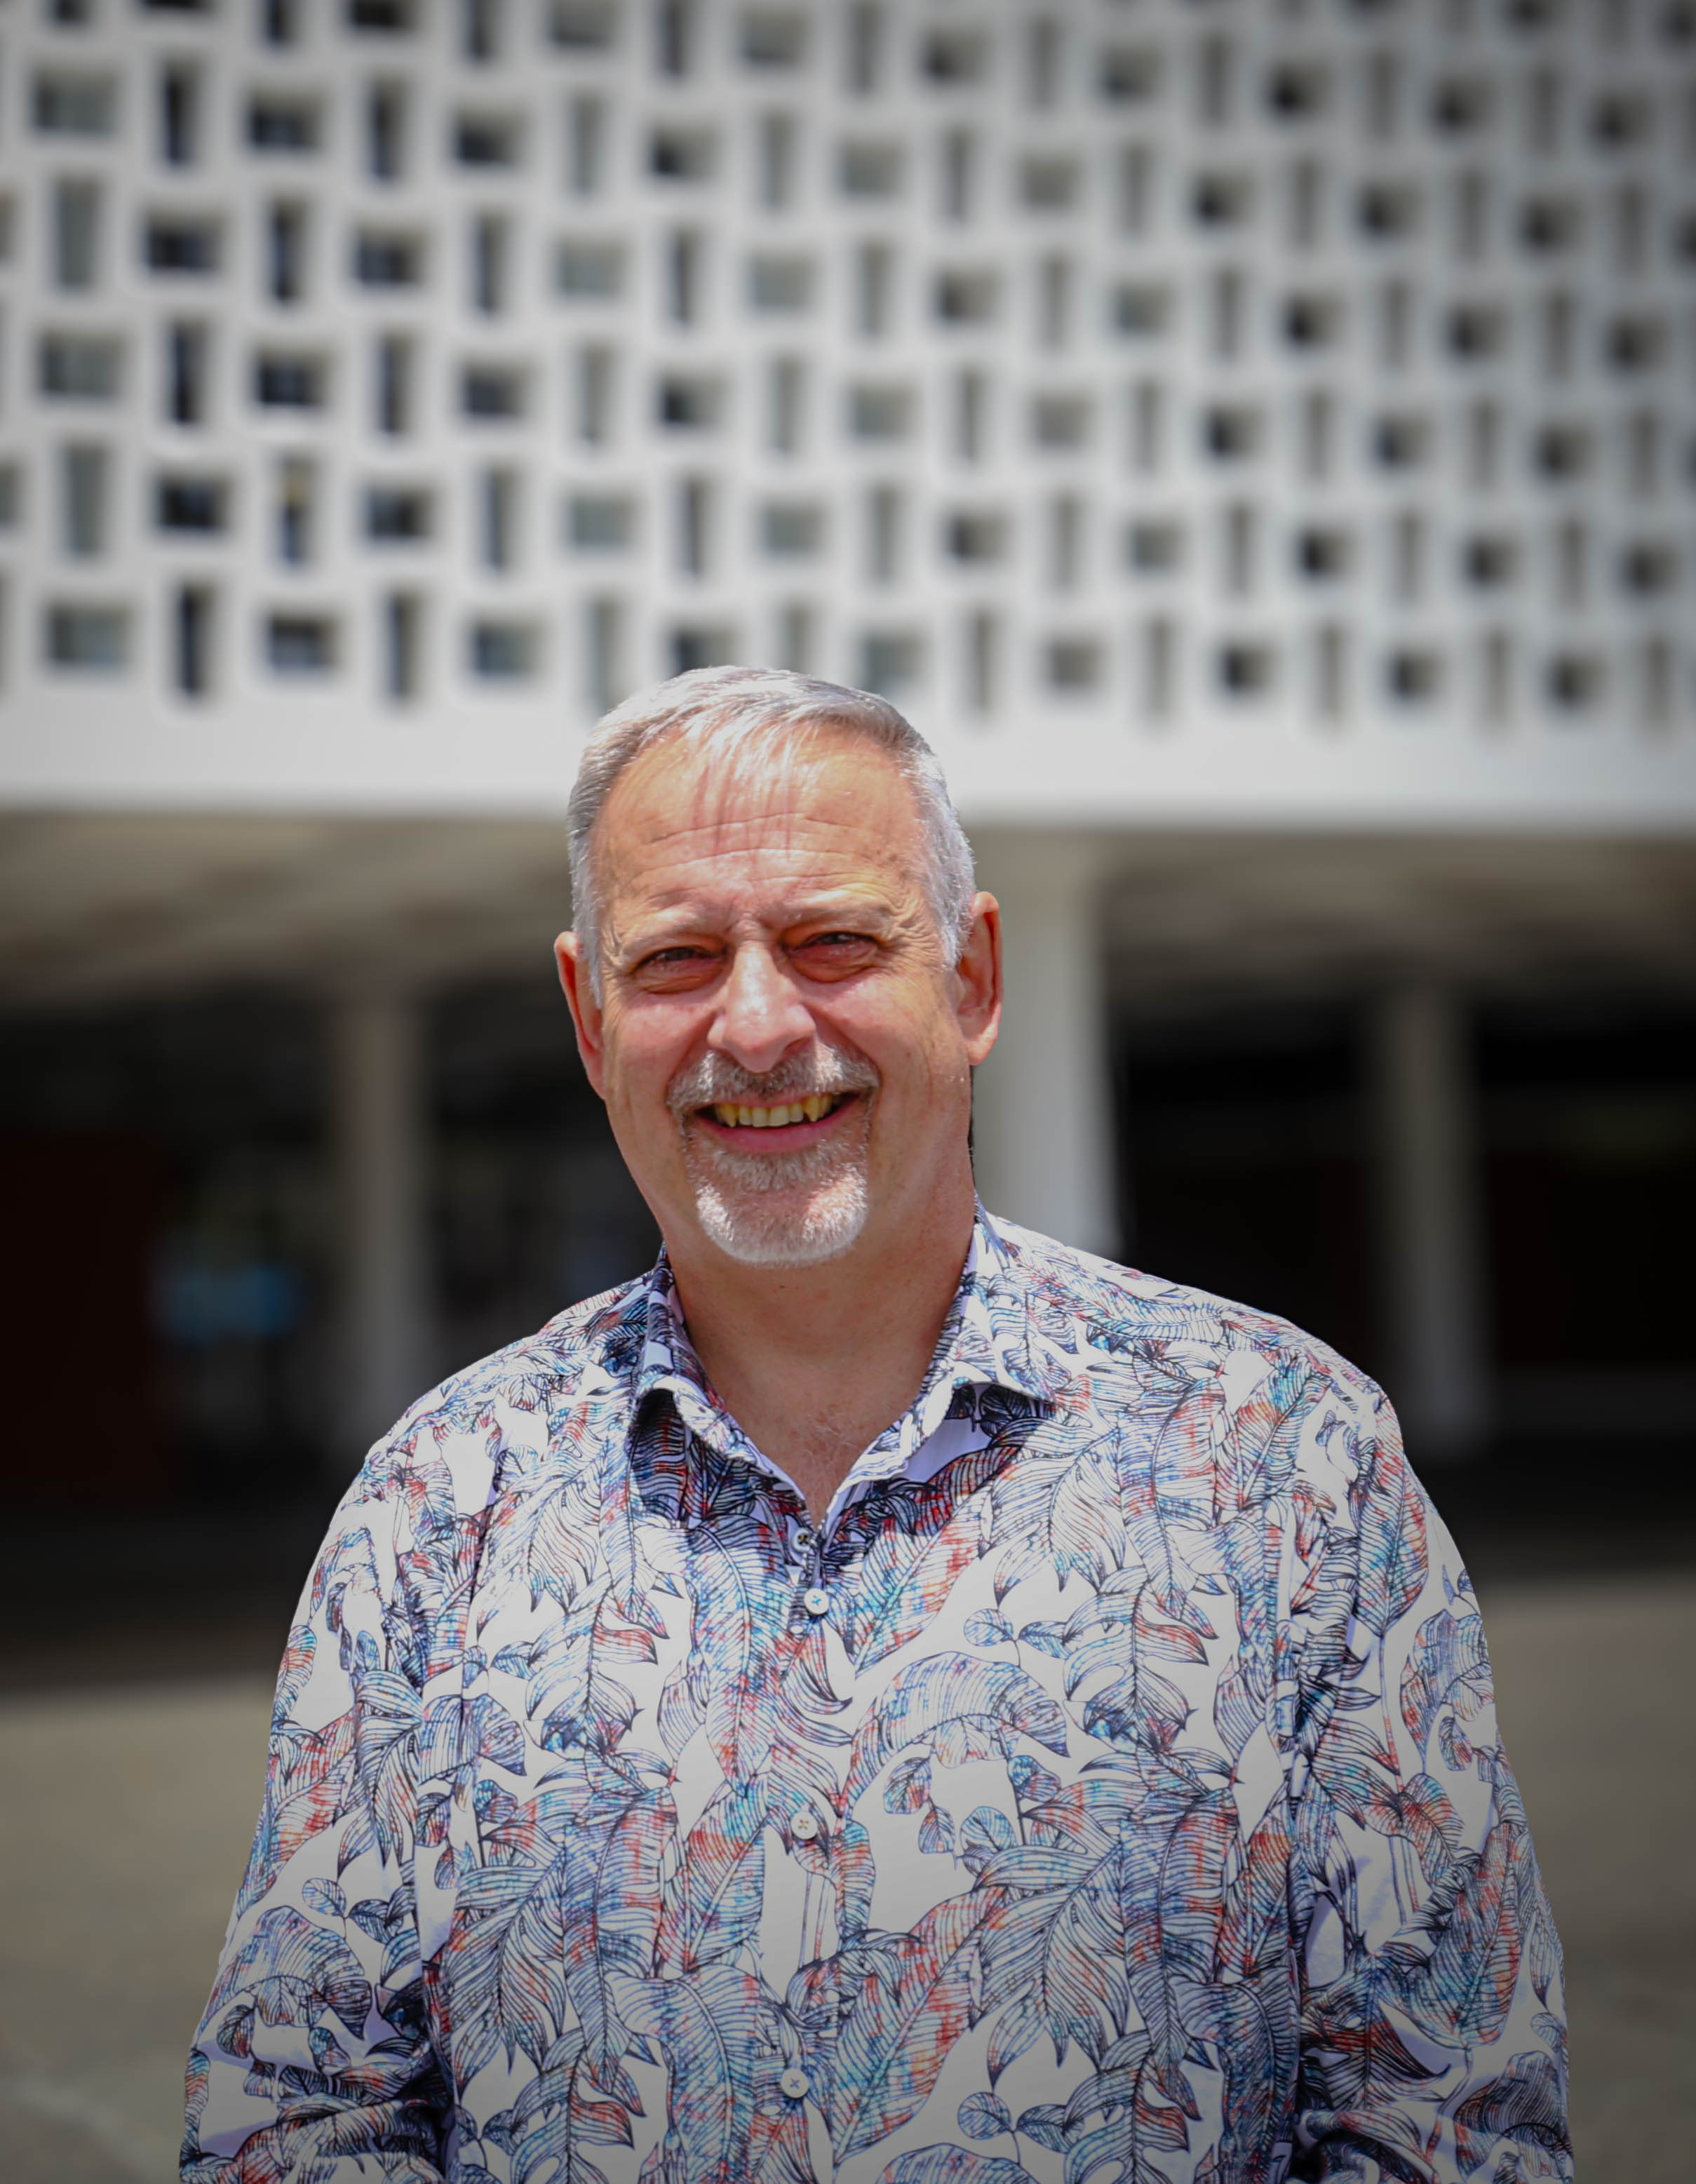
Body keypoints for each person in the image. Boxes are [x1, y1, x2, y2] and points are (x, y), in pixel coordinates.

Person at [184, 667, 1570, 2183]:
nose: (762, 1026)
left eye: (834, 940)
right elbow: (296, 2116)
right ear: (590, 1020)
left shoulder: (1288, 1461)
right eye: (679, 959)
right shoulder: (433, 1510)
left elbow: (1447, 2118)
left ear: (972, 981)